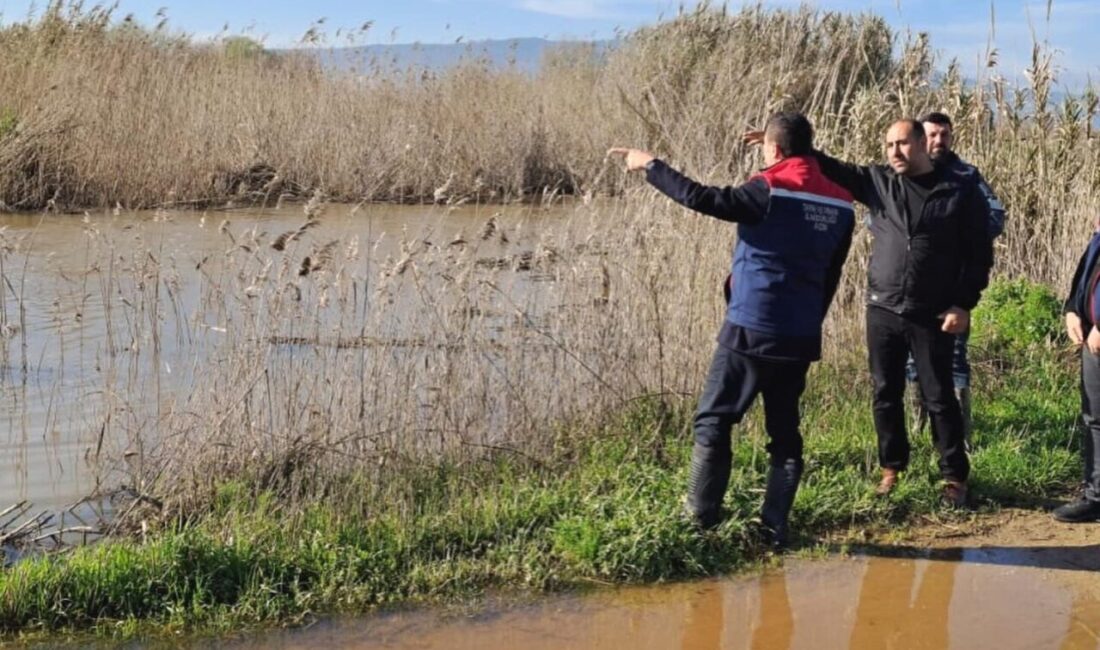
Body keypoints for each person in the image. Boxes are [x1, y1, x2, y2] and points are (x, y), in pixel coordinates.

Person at [608, 112, 855, 549]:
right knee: (784, 432)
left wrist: (649, 165)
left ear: (774, 149)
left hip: (751, 328)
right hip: (799, 337)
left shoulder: (769, 189)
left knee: (714, 421)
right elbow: (832, 274)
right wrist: (810, 322)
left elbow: (704, 198)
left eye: (769, 148)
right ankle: (774, 529)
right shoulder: (841, 202)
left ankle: (700, 522)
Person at [789, 119, 994, 507]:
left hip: (932, 313)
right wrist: (790, 147)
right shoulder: (878, 182)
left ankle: (954, 477)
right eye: (888, 145)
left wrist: (963, 303)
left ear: (921, 144)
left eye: (901, 144)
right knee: (885, 393)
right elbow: (831, 166)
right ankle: (891, 468)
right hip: (882, 308)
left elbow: (980, 254)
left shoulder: (959, 190)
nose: (894, 152)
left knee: (938, 397)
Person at [906, 112, 1007, 441]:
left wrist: (961, 235)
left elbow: (995, 215)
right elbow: (884, 218)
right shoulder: (906, 172)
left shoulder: (966, 175)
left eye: (944, 135)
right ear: (921, 138)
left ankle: (960, 437)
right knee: (911, 361)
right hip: (911, 288)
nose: (938, 141)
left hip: (953, 288)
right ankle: (918, 431)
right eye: (932, 135)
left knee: (954, 359)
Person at [1055, 224, 1100, 522]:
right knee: (1095, 418)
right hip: (1092, 342)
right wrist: (1073, 309)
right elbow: (1086, 272)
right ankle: (1096, 496)